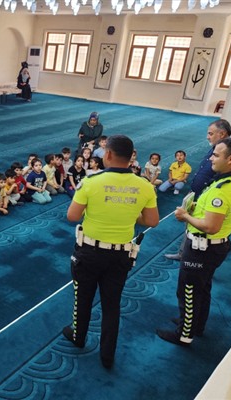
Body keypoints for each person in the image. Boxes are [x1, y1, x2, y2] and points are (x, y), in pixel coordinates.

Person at [62, 134, 159, 368]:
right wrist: (129, 214)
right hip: (120, 254)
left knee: (83, 298)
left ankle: (78, 337)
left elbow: (72, 216)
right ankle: (107, 354)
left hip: (89, 252)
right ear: (131, 156)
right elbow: (151, 221)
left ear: (107, 154)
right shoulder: (145, 185)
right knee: (112, 304)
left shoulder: (91, 181)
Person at [157, 138, 231, 346]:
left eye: (216, 155)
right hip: (217, 246)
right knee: (202, 287)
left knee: (188, 291)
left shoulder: (221, 190)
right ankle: (196, 325)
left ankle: (184, 334)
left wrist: (185, 216)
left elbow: (210, 226)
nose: (211, 158)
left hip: (202, 248)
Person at [165, 119, 231, 260]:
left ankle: (190, 256)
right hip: (197, 193)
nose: (207, 137)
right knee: (190, 225)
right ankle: (184, 253)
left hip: (206, 197)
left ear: (222, 134)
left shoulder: (226, 153)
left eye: (210, 133)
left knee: (198, 226)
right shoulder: (215, 147)